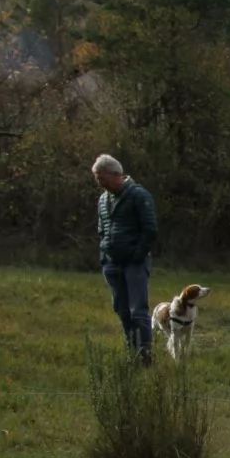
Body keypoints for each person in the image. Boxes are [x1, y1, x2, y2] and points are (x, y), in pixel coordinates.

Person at [93, 154, 158, 363]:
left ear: (115, 175)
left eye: (101, 178)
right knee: (122, 310)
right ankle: (131, 352)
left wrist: (137, 255)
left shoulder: (139, 196)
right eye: (97, 178)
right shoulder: (103, 199)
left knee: (138, 310)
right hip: (112, 263)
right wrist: (104, 257)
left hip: (134, 263)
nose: (99, 182)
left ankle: (144, 353)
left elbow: (150, 230)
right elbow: (102, 228)